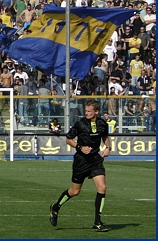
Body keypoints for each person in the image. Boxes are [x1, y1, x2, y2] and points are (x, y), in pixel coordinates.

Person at [49, 99, 111, 232]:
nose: (86, 113)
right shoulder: (81, 124)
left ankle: (97, 222)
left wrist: (108, 147)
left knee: (102, 187)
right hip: (81, 161)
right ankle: (55, 207)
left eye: (89, 111)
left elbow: (105, 137)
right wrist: (80, 147)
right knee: (75, 191)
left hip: (96, 160)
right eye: (86, 111)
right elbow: (68, 139)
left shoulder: (102, 124)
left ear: (96, 111)